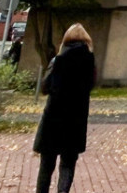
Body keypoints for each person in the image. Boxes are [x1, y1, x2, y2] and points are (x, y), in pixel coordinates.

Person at [32, 24, 97, 193]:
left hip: (54, 118)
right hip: (76, 119)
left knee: (46, 164)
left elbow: (45, 87)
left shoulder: (58, 60)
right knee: (68, 164)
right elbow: (90, 86)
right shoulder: (90, 62)